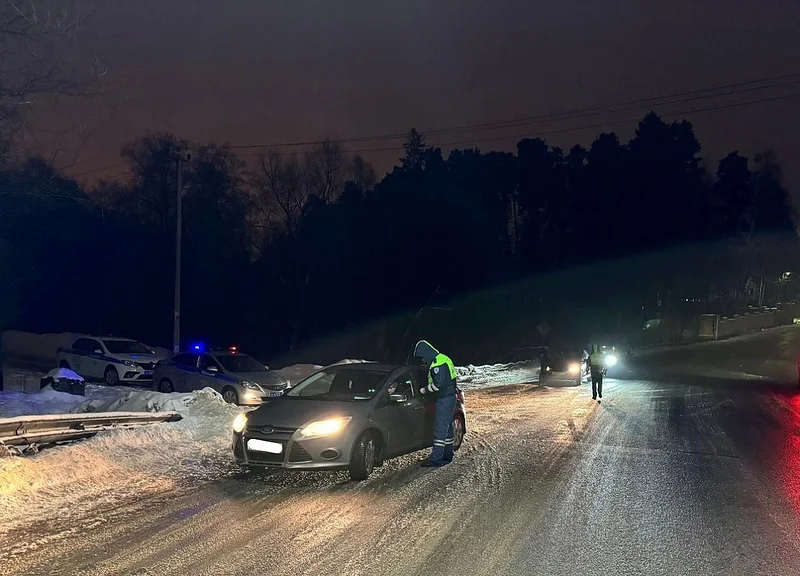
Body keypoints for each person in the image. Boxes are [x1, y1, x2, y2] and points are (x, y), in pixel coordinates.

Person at [413, 339, 458, 467]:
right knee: (447, 428)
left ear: (426, 353)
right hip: (450, 397)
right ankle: (448, 455)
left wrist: (424, 390)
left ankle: (436, 459)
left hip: (444, 399)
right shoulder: (442, 359)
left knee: (440, 429)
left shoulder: (437, 364)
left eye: (422, 358)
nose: (423, 361)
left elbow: (439, 385)